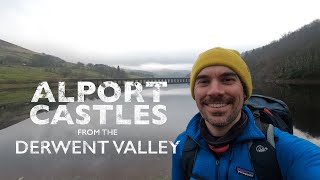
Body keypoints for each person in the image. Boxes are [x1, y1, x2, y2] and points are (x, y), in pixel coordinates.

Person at [172, 47, 320, 180]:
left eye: (227, 79)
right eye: (203, 81)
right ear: (194, 92)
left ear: (244, 92)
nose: (215, 91)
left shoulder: (283, 149)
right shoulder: (182, 145)